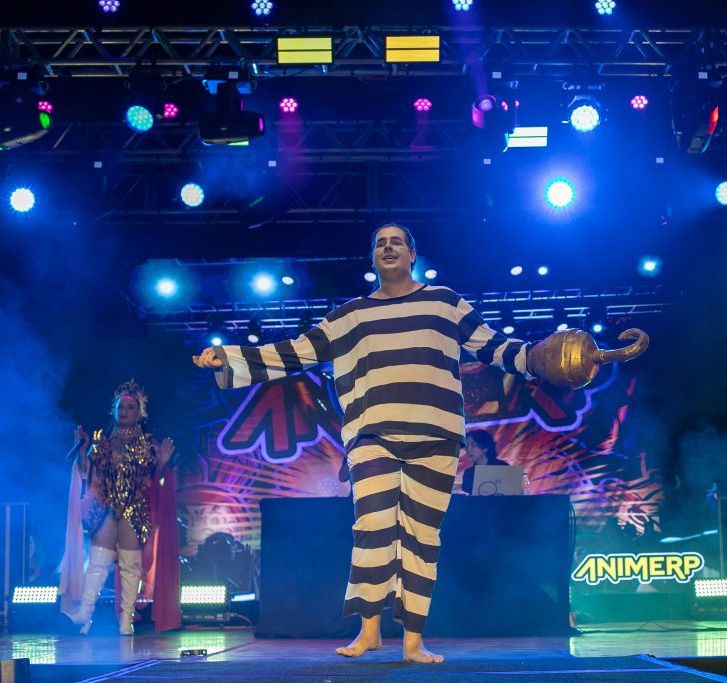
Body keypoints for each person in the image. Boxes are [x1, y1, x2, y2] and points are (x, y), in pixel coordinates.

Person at [194, 224, 538, 663]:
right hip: (373, 434)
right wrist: (228, 358)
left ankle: (413, 641)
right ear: (373, 258)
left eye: (397, 242)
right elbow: (295, 352)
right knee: (373, 526)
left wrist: (543, 357)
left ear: (412, 254)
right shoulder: (351, 315)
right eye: (380, 243)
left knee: (422, 537)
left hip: (435, 435)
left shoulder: (445, 302)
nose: (388, 247)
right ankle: (369, 630)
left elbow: (495, 347)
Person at [59, 379, 181, 635]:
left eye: (130, 407)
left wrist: (162, 463)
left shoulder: (148, 444)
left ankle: (127, 618)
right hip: (106, 507)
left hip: (134, 509)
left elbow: (156, 481)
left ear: (140, 413)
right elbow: (87, 474)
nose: (124, 411)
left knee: (129, 565)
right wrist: (82, 453)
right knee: (98, 562)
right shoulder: (101, 442)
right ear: (113, 411)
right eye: (120, 407)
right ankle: (85, 614)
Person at [459, 429, 508, 495]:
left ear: (485, 448)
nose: (469, 449)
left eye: (473, 445)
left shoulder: (503, 467)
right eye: (467, 446)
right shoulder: (469, 472)